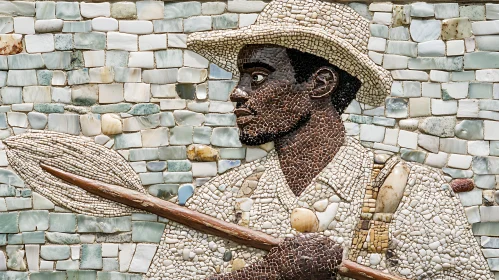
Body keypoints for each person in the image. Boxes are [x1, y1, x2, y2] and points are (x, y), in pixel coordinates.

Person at [4, 0, 492, 279]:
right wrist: (267, 274)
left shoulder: (414, 194)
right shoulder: (216, 200)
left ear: (320, 84)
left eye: (257, 77)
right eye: (240, 78)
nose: (237, 93)